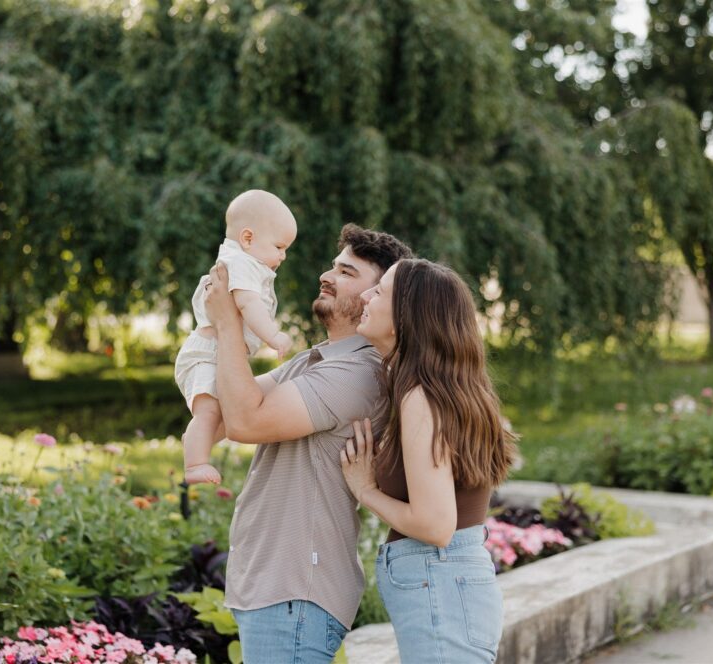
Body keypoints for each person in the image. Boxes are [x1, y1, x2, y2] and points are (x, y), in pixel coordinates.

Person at [202, 224, 414, 664]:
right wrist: (217, 326)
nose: (327, 275)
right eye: (333, 266)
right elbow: (217, 415)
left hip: (296, 593)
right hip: (275, 590)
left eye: (347, 273)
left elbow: (244, 421)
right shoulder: (314, 360)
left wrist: (228, 324)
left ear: (378, 298)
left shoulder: (357, 375)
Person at [340, 258, 516, 664]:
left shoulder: (423, 398)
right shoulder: (443, 388)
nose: (366, 295)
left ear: (406, 317)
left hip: (442, 581)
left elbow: (435, 526)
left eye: (379, 291)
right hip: (449, 585)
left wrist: (365, 490)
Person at [176, 190, 297, 486]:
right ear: (247, 238)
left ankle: (197, 438)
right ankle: (194, 464)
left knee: (218, 413)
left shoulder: (245, 262)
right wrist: (274, 336)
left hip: (216, 352)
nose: (283, 255)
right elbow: (248, 305)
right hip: (207, 353)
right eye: (279, 246)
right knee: (209, 411)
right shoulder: (241, 264)